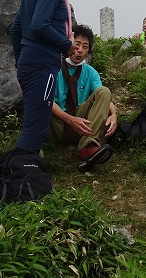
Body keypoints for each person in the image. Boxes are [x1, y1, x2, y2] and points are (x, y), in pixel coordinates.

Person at [9, 0, 83, 154]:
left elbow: (16, 28)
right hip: (42, 61)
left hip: (29, 60)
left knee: (34, 122)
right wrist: (66, 44)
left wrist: (20, 62)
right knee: (37, 125)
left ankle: (23, 166)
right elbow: (40, 24)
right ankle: (22, 169)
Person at [49, 24, 118, 171]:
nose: (80, 50)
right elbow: (46, 100)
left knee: (104, 91)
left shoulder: (90, 72)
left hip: (81, 126)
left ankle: (87, 146)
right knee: (40, 100)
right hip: (57, 124)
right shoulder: (53, 67)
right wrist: (69, 119)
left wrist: (113, 114)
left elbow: (103, 95)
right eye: (77, 44)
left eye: (85, 46)